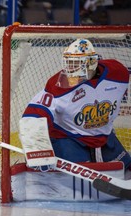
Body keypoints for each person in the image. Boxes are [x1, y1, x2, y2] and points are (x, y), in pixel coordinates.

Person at [20, 38, 131, 171]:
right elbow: (33, 115)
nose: (70, 69)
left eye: (76, 63)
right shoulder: (59, 85)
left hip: (104, 139)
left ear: (91, 63)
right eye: (69, 63)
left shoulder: (117, 73)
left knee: (127, 169)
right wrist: (38, 152)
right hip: (69, 141)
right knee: (76, 180)